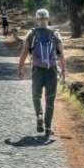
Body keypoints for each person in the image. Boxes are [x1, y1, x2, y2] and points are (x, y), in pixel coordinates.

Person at [17, 8, 66, 136]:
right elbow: (61, 54)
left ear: (37, 19)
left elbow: (24, 53)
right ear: (48, 19)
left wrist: (20, 68)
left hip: (37, 70)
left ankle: (39, 114)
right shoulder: (55, 33)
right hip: (52, 70)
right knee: (50, 99)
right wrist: (63, 70)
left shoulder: (32, 33)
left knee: (36, 96)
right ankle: (48, 128)